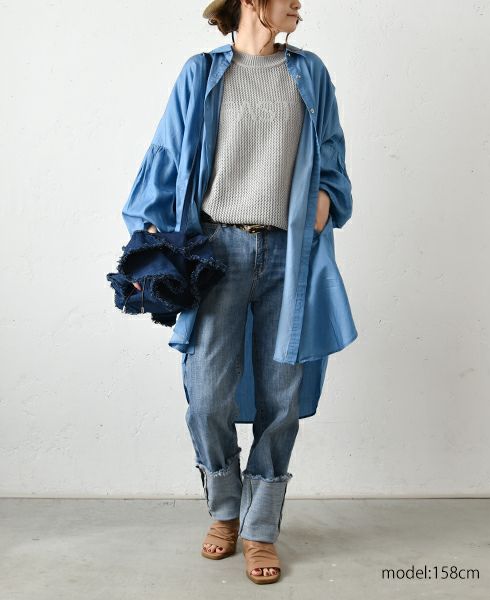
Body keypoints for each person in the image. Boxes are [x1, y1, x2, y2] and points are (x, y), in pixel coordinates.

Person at [123, 0, 357, 585]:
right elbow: (167, 155)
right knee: (207, 395)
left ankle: (260, 528)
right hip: (216, 252)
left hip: (288, 253)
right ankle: (225, 508)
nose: (299, 4)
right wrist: (148, 241)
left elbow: (331, 152)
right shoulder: (201, 73)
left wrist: (323, 203)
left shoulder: (310, 72)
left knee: (281, 398)